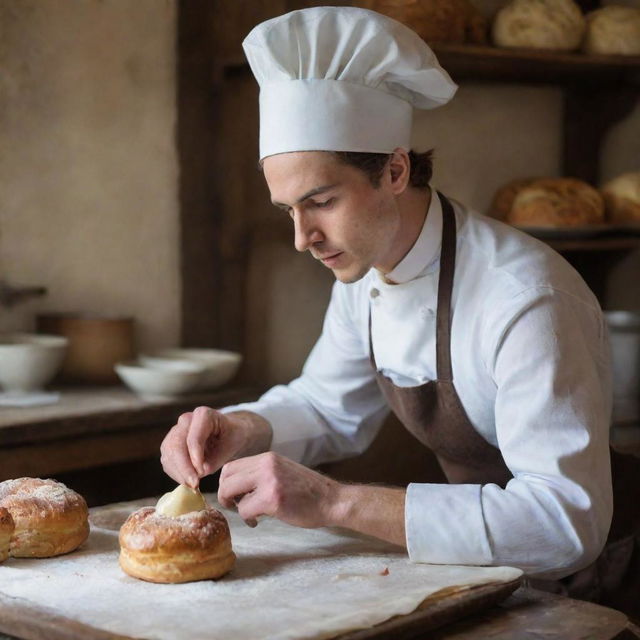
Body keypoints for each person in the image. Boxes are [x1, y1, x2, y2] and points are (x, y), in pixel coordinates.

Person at [160, 7, 639, 616]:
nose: (303, 237)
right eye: (288, 210)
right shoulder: (362, 267)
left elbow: (566, 524)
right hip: (489, 574)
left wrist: (337, 503)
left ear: (394, 169)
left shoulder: (523, 297)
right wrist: (245, 427)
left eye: (322, 201)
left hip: (596, 585)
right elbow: (327, 404)